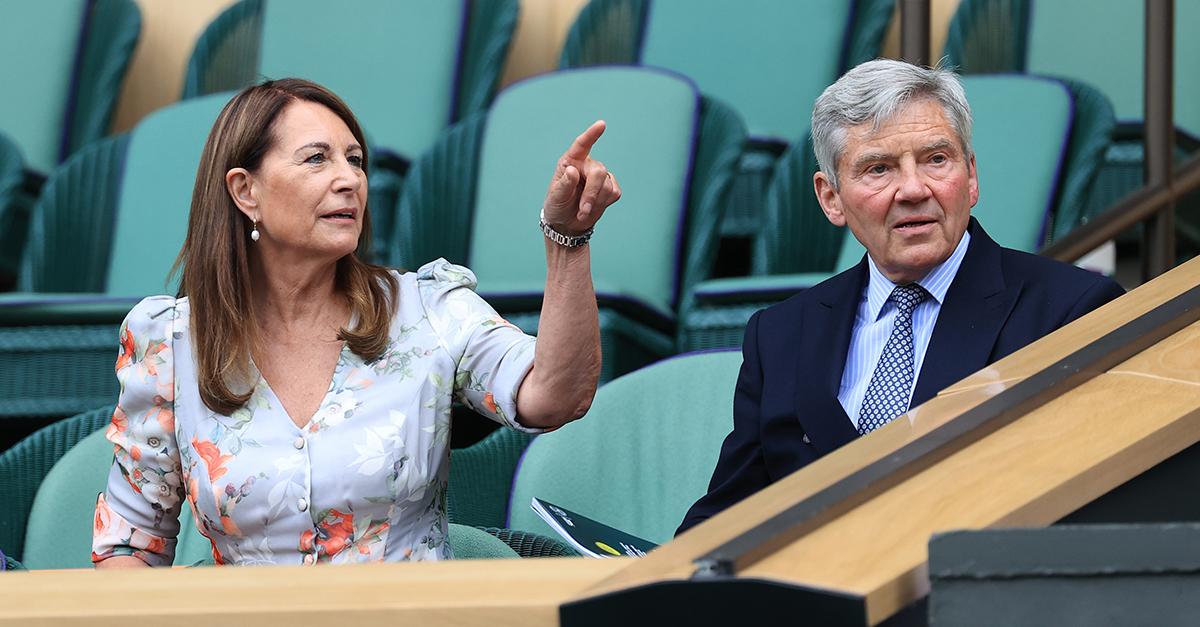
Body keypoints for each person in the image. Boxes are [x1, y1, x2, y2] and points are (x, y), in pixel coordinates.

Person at [92, 78, 621, 566]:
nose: (350, 180)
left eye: (356, 161)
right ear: (245, 191)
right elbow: (130, 546)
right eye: (317, 159)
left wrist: (567, 242)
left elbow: (555, 395)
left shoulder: (427, 309)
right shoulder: (170, 343)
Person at [678, 60, 1125, 534]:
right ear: (831, 198)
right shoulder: (780, 335)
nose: (913, 189)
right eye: (879, 168)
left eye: (936, 159)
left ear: (971, 178)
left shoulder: (1071, 310)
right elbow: (724, 519)